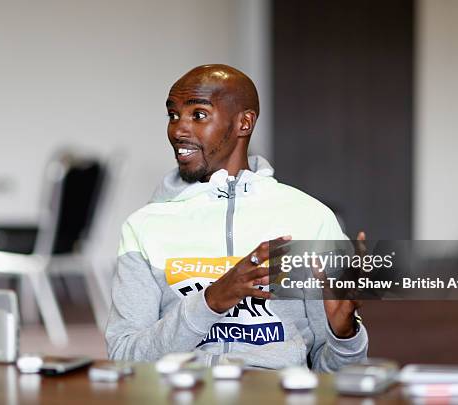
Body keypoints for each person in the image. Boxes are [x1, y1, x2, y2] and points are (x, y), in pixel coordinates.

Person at [105, 64, 368, 370]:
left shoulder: (311, 218)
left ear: (244, 122)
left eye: (198, 115)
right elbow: (125, 358)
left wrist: (344, 335)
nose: (177, 130)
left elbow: (334, 377)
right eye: (173, 115)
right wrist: (210, 301)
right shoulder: (144, 226)